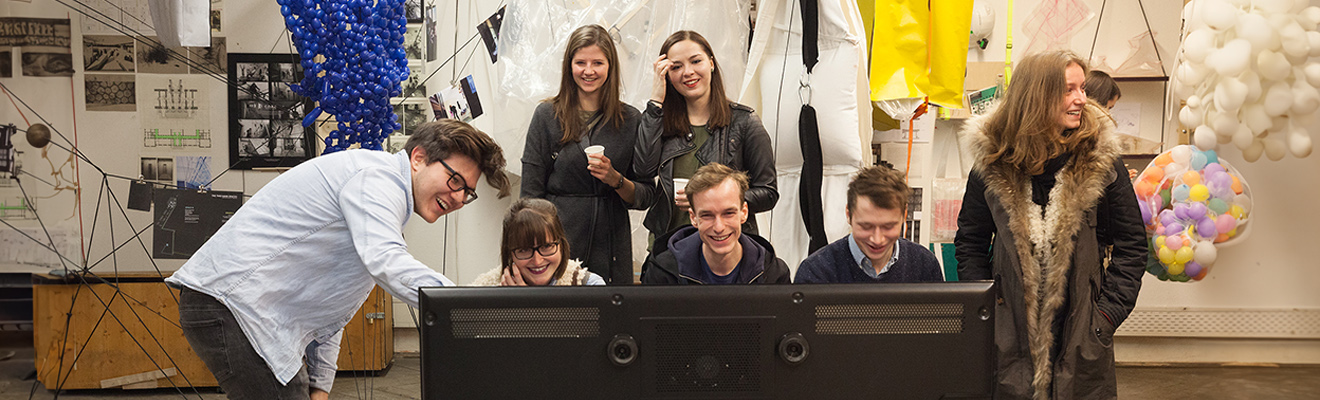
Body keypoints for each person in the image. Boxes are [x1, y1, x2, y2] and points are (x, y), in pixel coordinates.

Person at [166, 119, 509, 400]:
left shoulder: (381, 206)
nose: (459, 197)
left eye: (468, 192)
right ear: (418, 157)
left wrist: (320, 385)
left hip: (243, 310)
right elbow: (386, 260)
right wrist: (464, 304)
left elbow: (330, 307)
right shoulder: (378, 180)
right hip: (232, 303)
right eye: (455, 180)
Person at [954, 50, 1148, 399]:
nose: (1081, 100)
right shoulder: (993, 162)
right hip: (1009, 335)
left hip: (1082, 333)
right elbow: (970, 242)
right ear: (1037, 96)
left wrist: (1103, 319)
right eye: (1069, 90)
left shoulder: (1101, 162)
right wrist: (991, 314)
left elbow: (1132, 245)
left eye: (1083, 89)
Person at [521, 24, 654, 285]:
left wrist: (616, 179)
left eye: (598, 63)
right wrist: (535, 252)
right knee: (562, 318)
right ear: (569, 66)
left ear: (610, 67)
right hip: (558, 240)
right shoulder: (547, 116)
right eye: (580, 62)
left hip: (612, 242)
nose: (589, 71)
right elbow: (530, 196)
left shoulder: (630, 120)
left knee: (611, 319)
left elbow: (645, 195)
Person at [635, 30, 777, 240]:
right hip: (667, 249)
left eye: (696, 61)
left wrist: (711, 200)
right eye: (676, 67)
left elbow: (768, 193)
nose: (688, 72)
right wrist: (656, 101)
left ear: (711, 63)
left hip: (724, 248)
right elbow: (643, 170)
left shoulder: (744, 122)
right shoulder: (659, 121)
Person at [640, 163, 790, 285]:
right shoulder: (663, 273)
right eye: (707, 215)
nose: (719, 227)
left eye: (728, 213)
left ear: (744, 212)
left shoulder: (773, 274)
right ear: (693, 218)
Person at [795, 166, 942, 283]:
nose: (877, 239)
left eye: (888, 226)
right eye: (866, 227)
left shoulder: (924, 265)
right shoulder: (817, 271)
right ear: (848, 214)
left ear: (904, 215)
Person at [470, 198, 605, 286]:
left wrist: (530, 303)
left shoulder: (588, 285)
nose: (537, 260)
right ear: (509, 252)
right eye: (524, 250)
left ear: (561, 245)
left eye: (546, 246)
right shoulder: (484, 289)